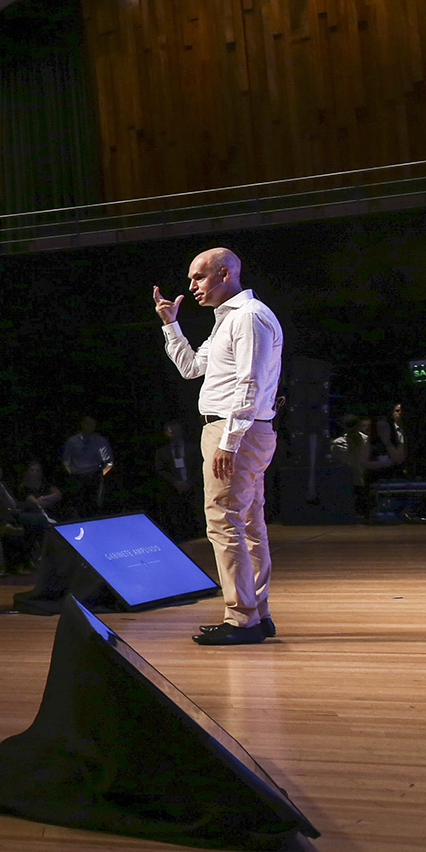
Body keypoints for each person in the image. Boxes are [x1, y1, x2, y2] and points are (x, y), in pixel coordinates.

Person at [155, 248, 284, 645]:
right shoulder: (229, 319)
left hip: (235, 430)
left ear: (225, 274)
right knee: (248, 523)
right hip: (237, 430)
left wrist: (229, 441)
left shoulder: (248, 317)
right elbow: (192, 368)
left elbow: (250, 383)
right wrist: (171, 325)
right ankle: (256, 613)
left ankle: (242, 618)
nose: (192, 286)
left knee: (224, 522)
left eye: (199, 277)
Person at [60, 417, 114, 514]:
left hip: (94, 478)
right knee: (77, 506)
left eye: (91, 424)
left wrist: (99, 475)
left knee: (93, 507)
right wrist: (73, 475)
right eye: (86, 423)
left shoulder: (100, 442)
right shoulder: (72, 441)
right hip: (77, 478)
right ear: (82, 424)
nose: (88, 426)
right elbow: (66, 462)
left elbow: (109, 463)